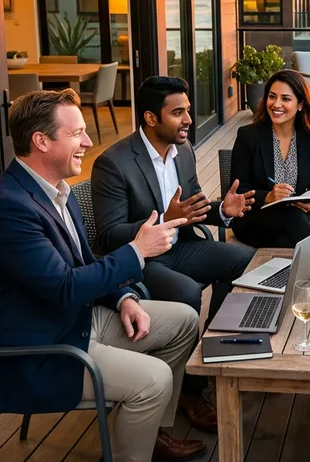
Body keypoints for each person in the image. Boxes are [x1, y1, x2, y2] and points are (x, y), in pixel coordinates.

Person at [0, 89, 205, 462]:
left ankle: (149, 432)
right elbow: (64, 287)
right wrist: (137, 252)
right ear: (42, 142)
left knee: (185, 320)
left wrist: (125, 297)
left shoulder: (55, 190)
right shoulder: (9, 209)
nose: (86, 142)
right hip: (36, 351)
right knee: (151, 378)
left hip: (71, 321)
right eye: (76, 133)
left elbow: (84, 264)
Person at [91, 76, 255, 432]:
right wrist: (165, 219)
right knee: (186, 292)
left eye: (188, 112)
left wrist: (223, 210)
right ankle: (189, 391)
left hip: (181, 247)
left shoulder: (184, 151)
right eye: (178, 113)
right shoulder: (113, 163)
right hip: (141, 260)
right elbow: (108, 235)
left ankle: (214, 357)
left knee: (244, 261)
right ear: (151, 118)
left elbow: (191, 208)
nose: (188, 121)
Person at [230, 70, 310, 247]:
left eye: (286, 99)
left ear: (300, 104)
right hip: (254, 219)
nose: (276, 104)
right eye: (272, 97)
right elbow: (238, 191)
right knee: (293, 218)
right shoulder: (248, 136)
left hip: (295, 222)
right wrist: (268, 196)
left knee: (287, 242)